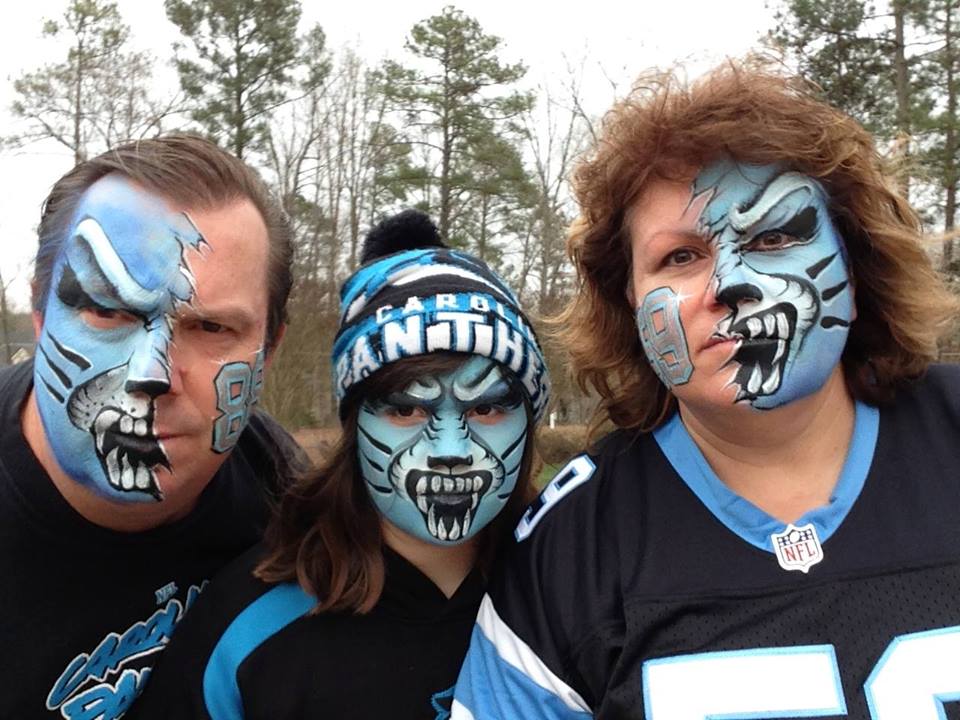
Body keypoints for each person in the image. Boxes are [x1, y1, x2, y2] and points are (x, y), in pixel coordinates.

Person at [452, 63, 960, 719]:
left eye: (773, 237)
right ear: (630, 306)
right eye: (681, 257)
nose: (730, 285)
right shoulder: (572, 545)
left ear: (855, 270)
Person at [129, 209, 551, 719]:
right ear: (354, 425)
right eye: (405, 409)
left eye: (486, 409)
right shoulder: (249, 632)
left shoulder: (571, 592)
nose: (449, 450)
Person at [0, 134, 301, 719]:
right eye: (108, 312)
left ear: (269, 349)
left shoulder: (279, 490)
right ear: (39, 314)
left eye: (211, 329)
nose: (152, 373)